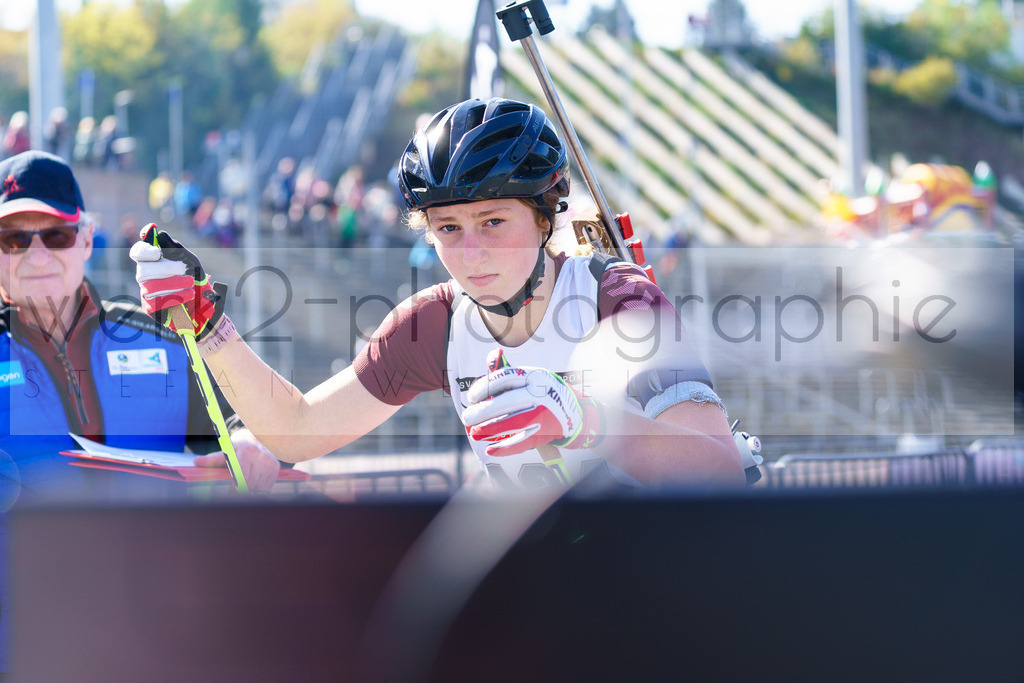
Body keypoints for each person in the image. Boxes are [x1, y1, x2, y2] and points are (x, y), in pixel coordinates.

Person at [131, 98, 743, 492]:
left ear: (543, 217)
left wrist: (583, 421)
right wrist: (208, 323)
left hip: (662, 575)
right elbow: (297, 431)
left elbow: (719, 471)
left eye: (494, 222)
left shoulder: (617, 300)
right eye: (448, 228)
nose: (471, 251)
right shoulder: (432, 324)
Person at [0, 151, 282, 497]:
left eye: (57, 235)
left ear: (87, 239)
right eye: (14, 240)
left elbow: (254, 421)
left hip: (159, 551)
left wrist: (250, 442)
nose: (38, 255)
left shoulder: (165, 338)